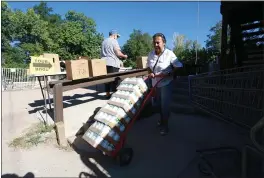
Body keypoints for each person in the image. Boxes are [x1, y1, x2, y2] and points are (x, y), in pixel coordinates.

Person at [147, 33, 183, 136]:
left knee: (164, 105)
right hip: (155, 84)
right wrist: (150, 73)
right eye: (154, 42)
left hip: (166, 83)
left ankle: (165, 125)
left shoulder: (169, 53)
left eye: (158, 42)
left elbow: (179, 66)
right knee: (157, 104)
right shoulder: (151, 54)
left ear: (164, 43)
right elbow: (148, 66)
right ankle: (162, 119)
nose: (156, 44)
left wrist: (169, 73)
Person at [101, 29, 128, 99]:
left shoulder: (104, 41)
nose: (117, 38)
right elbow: (118, 53)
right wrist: (124, 56)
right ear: (114, 35)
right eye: (117, 36)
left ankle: (107, 94)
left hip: (103, 63)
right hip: (112, 62)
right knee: (114, 80)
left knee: (107, 80)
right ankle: (114, 96)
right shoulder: (114, 41)